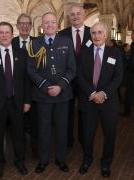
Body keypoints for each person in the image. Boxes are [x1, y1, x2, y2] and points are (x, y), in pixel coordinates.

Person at [27, 12, 76, 173]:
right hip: (43, 95)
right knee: (44, 129)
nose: (49, 25)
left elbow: (71, 69)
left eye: (53, 22)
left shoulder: (66, 42)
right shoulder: (34, 43)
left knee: (62, 129)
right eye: (46, 22)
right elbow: (31, 70)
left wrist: (60, 86)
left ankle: (61, 159)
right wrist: (46, 86)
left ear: (57, 25)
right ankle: (43, 160)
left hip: (62, 95)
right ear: (42, 25)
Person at [0, 21, 31, 178]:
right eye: (1, 33)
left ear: (12, 34)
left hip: (17, 103)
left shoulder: (22, 54)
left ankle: (20, 162)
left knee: (19, 136)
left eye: (7, 32)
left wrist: (27, 101)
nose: (4, 35)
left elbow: (26, 80)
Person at [77, 22, 123, 177]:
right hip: (88, 101)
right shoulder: (84, 53)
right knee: (87, 135)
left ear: (106, 34)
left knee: (109, 135)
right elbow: (79, 76)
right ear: (91, 35)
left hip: (108, 102)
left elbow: (118, 77)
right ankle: (87, 159)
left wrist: (103, 93)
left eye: (99, 32)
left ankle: (106, 163)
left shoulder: (114, 53)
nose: (96, 36)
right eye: (94, 33)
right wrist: (92, 93)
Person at [59, 3, 92, 147]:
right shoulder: (62, 34)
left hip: (86, 80)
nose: (75, 16)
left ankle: (84, 140)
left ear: (83, 14)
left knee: (85, 111)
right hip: (68, 80)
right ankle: (68, 140)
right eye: (72, 14)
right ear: (69, 17)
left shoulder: (93, 32)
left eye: (78, 13)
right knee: (67, 112)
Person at [12, 13, 38, 158]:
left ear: (31, 26)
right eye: (21, 23)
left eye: (27, 23)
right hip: (18, 92)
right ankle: (19, 154)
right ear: (17, 26)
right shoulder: (10, 43)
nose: (25, 26)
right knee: (18, 125)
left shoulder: (38, 43)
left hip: (36, 91)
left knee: (36, 124)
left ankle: (36, 151)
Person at [123, 30, 134, 117]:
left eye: (132, 35)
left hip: (132, 75)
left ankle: (127, 113)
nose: (131, 37)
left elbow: (132, 63)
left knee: (129, 94)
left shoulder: (133, 46)